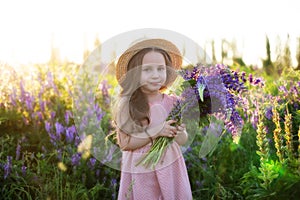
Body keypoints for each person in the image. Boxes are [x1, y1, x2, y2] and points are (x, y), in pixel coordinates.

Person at [114, 38, 192, 200]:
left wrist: (180, 133)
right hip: (142, 168)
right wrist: (155, 132)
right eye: (147, 70)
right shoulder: (127, 104)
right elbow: (125, 143)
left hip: (170, 166)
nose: (155, 75)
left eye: (160, 69)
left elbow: (182, 140)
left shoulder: (174, 102)